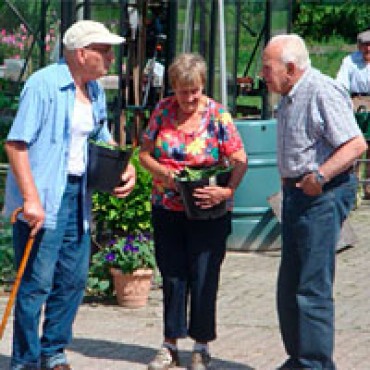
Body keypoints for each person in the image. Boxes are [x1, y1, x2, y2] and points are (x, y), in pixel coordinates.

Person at [4, 20, 136, 370]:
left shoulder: (93, 91)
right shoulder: (43, 85)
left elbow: (101, 136)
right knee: (36, 283)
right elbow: (16, 145)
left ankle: (54, 352)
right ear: (82, 53)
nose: (110, 57)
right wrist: (30, 199)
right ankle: (25, 361)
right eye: (104, 50)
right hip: (44, 195)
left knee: (73, 279)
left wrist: (126, 166)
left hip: (78, 195)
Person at [261, 34, 367, 370]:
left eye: (268, 68)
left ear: (290, 69)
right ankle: (299, 358)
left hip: (321, 195)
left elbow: (355, 145)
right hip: (296, 196)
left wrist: (318, 177)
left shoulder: (321, 90)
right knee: (289, 286)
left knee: (312, 287)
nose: (263, 75)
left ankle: (315, 364)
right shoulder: (289, 95)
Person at [139, 53, 247, 370]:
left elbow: (240, 159)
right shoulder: (162, 110)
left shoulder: (217, 116)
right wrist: (165, 173)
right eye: (183, 91)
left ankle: (201, 345)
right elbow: (144, 154)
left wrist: (226, 191)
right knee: (172, 275)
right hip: (168, 206)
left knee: (204, 276)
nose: (189, 98)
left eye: (195, 91)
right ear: (173, 87)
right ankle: (170, 343)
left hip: (207, 208)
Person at [336, 29, 370, 197]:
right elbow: (341, 84)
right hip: (356, 103)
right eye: (365, 45)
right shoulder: (349, 61)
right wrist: (347, 100)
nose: (368, 49)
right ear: (359, 46)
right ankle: (353, 187)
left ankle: (369, 187)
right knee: (354, 146)